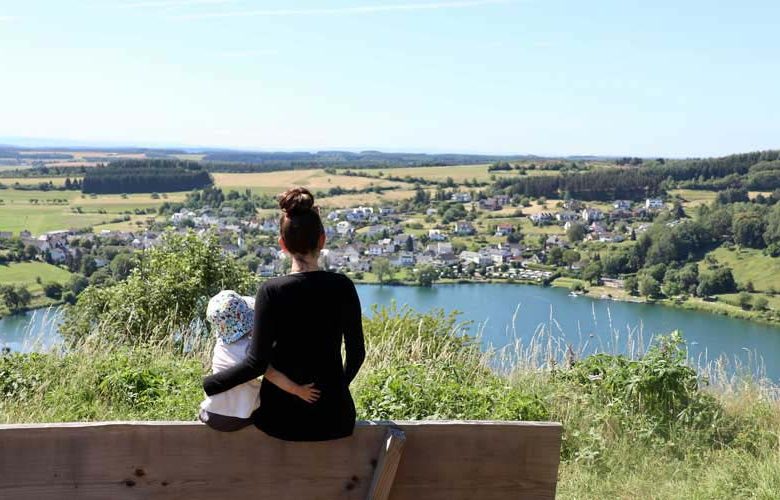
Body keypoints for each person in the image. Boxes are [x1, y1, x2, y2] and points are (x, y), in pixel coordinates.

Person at [203, 187, 366, 441]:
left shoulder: (271, 292)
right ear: (322, 240)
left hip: (280, 420)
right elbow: (357, 354)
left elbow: (255, 363)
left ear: (282, 244)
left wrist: (212, 384)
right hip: (336, 419)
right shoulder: (342, 286)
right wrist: (335, 389)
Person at [199, 290, 320, 432]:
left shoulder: (221, 345)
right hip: (240, 418)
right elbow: (272, 375)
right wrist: (299, 391)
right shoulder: (251, 351)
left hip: (210, 415)